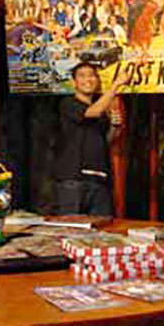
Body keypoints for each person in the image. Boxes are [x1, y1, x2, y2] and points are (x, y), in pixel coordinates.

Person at [54, 62, 132, 216]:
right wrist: (116, 85)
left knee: (101, 227)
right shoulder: (68, 104)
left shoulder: (101, 110)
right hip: (74, 180)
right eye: (82, 76)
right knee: (72, 227)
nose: (88, 80)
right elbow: (91, 113)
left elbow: (106, 141)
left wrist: (114, 126)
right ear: (73, 83)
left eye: (92, 76)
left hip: (99, 179)